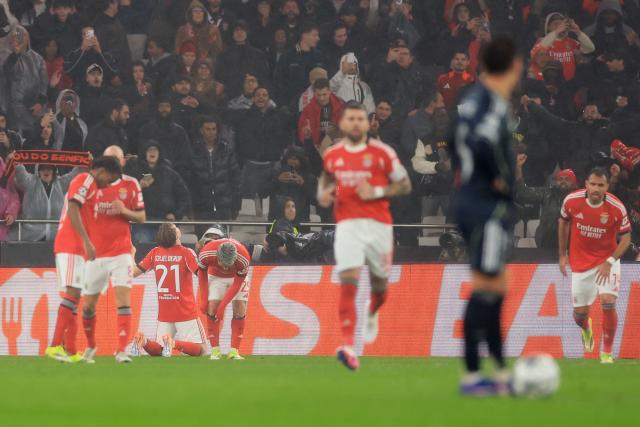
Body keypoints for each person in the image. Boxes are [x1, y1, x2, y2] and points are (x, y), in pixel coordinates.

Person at [451, 37, 523, 395]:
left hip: (470, 200)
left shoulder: (471, 101)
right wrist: (497, 177)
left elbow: (455, 141)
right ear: (513, 67)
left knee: (496, 285)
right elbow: (480, 143)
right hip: (486, 206)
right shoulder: (492, 106)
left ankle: (495, 373)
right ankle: (475, 374)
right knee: (487, 286)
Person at [317, 101, 411, 370]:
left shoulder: (383, 153)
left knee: (380, 286)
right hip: (347, 225)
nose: (356, 123)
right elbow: (325, 180)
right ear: (343, 123)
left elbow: (404, 184)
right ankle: (348, 346)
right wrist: (323, 194)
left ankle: (373, 310)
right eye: (351, 119)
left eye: (361, 119)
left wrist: (379, 192)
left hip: (378, 225)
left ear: (368, 123)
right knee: (348, 282)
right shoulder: (333, 155)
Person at [44, 156, 122, 363]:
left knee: (75, 298)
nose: (109, 182)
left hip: (76, 248)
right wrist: (87, 241)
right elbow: (72, 208)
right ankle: (54, 346)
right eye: (110, 178)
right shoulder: (85, 179)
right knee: (72, 294)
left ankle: (71, 350)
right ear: (102, 171)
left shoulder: (93, 188)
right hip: (72, 245)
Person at [559, 167, 631, 364]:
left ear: (607, 186)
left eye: (601, 185)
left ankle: (606, 353)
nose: (596, 189)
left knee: (608, 302)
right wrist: (562, 254)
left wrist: (610, 261)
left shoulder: (617, 207)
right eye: (593, 184)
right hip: (581, 263)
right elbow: (563, 222)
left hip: (607, 261)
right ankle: (585, 328)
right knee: (579, 315)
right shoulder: (572, 201)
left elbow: (626, 238)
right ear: (586, 184)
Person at [81, 146, 146, 364]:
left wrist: (124, 211)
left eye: (115, 159)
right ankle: (90, 346)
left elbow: (142, 217)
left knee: (123, 301)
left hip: (121, 253)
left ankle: (121, 350)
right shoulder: (92, 185)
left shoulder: (130, 184)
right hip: (96, 254)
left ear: (122, 161)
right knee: (88, 305)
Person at [132, 223, 206, 357]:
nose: (178, 228)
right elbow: (202, 275)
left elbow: (132, 273)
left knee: (159, 349)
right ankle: (173, 343)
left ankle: (143, 341)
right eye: (175, 227)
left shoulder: (155, 253)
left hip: (165, 312)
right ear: (176, 234)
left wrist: (132, 255)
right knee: (201, 349)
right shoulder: (186, 253)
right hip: (185, 311)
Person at [197, 226, 252, 360]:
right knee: (212, 308)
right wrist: (203, 298)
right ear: (217, 256)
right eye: (223, 263)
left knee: (240, 308)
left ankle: (234, 352)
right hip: (215, 277)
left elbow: (237, 284)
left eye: (229, 264)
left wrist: (223, 307)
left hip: (236, 278)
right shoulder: (206, 253)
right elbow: (202, 274)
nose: (226, 267)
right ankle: (215, 351)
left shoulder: (243, 259)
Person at [125, 140, 191, 243]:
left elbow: (184, 196)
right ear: (144, 153)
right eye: (149, 150)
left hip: (166, 223)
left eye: (155, 150)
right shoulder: (134, 172)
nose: (152, 152)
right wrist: (139, 185)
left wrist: (176, 214)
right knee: (142, 245)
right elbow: (125, 196)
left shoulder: (169, 173)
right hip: (143, 224)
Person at [11, 159, 81, 242]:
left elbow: (76, 175)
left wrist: (85, 162)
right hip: (29, 235)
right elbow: (20, 175)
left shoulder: (61, 183)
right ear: (38, 171)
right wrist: (16, 160)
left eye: (49, 169)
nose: (46, 171)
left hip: (57, 235)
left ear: (54, 171)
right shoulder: (30, 182)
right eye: (43, 168)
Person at [298, 78, 344, 146]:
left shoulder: (340, 105)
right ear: (314, 93)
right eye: (318, 95)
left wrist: (336, 129)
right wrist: (306, 135)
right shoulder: (308, 110)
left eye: (324, 94)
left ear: (329, 91)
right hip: (317, 148)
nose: (321, 98)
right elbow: (302, 133)